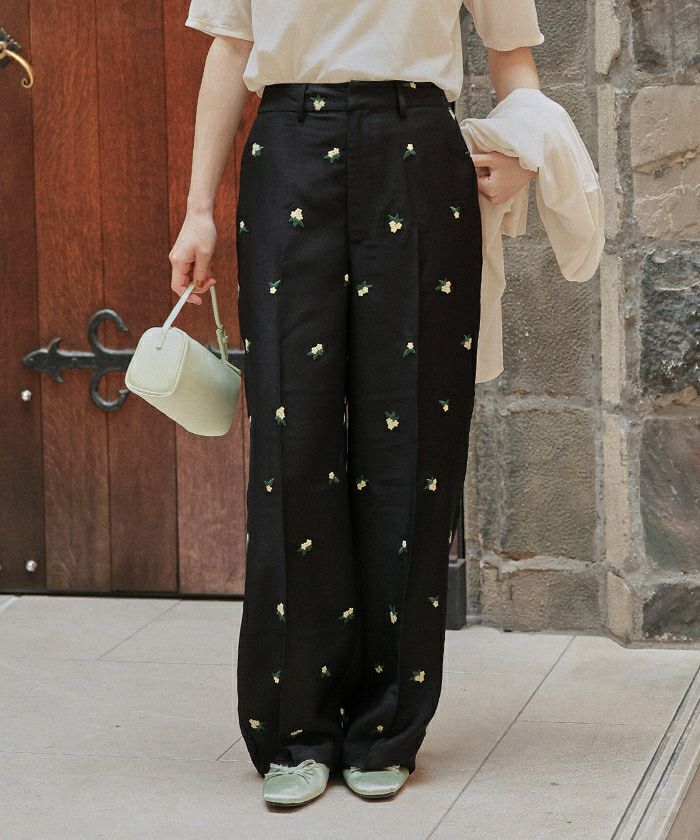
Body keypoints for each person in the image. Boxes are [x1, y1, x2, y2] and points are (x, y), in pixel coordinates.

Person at [170, 0, 545, 808]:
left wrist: (525, 154)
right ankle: (294, 729)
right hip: (289, 148)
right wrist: (198, 210)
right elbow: (229, 48)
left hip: (420, 153)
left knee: (414, 440)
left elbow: (514, 60)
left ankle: (388, 725)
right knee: (291, 440)